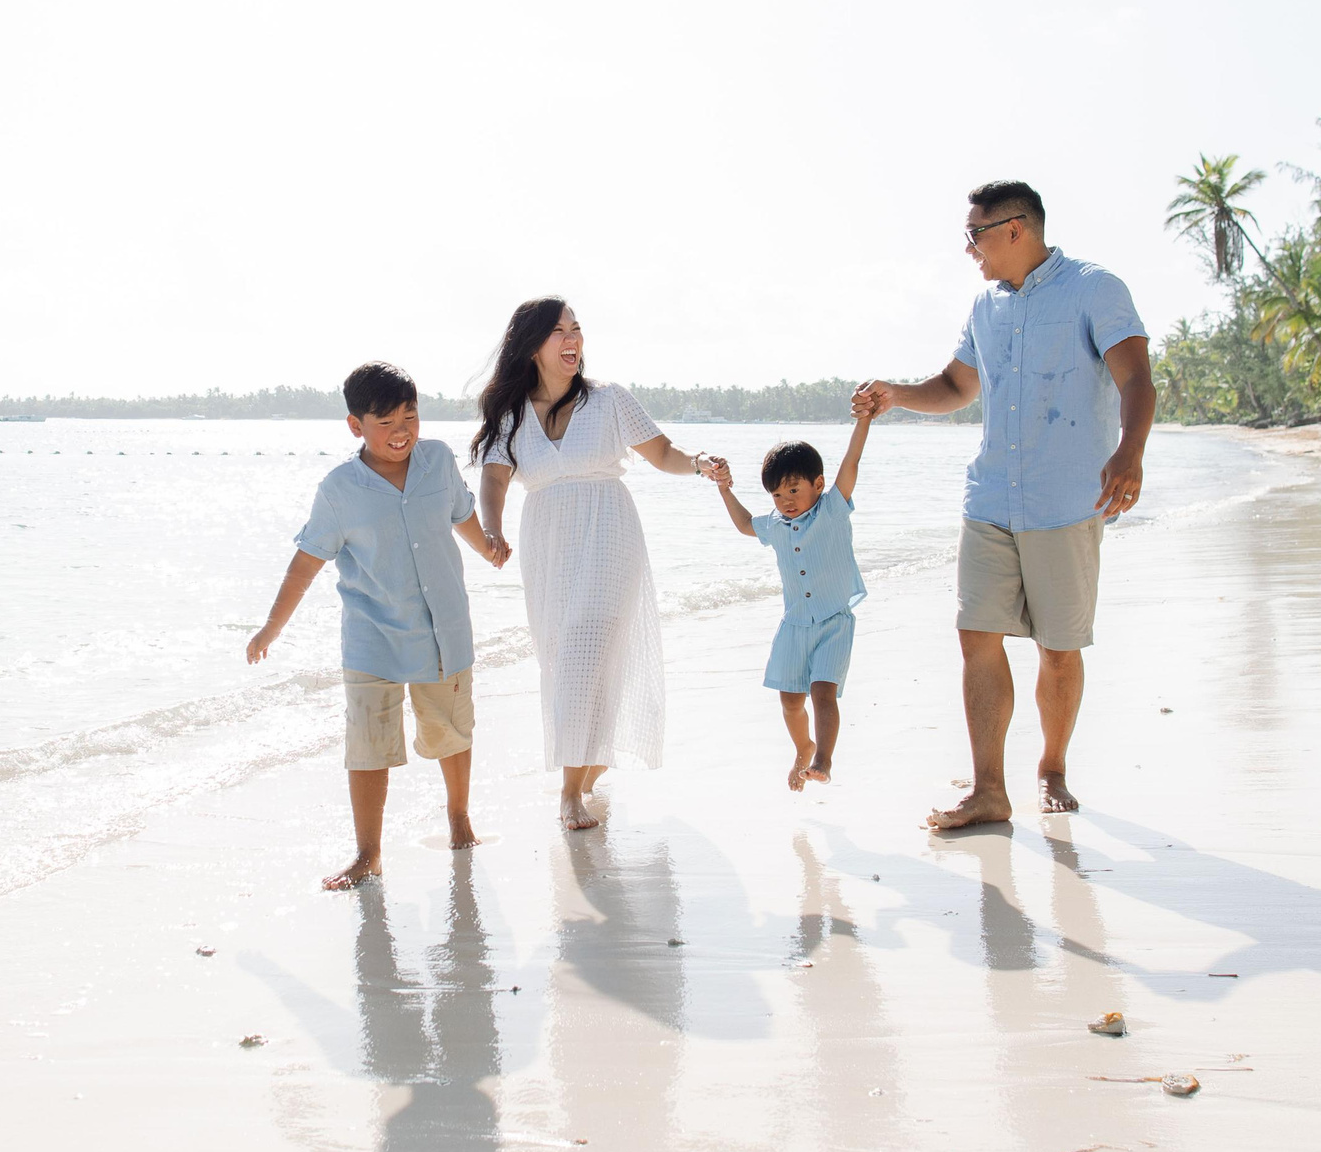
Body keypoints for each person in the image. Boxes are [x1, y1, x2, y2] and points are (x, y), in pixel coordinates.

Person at [854, 180, 1155, 831]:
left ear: (1014, 228)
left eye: (975, 235)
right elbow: (955, 385)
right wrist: (896, 395)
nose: (969, 249)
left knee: (1058, 649)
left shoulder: (1095, 289)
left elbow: (1136, 378)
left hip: (1066, 499)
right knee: (975, 635)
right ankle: (989, 789)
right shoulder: (984, 305)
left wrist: (1129, 452)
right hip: (990, 497)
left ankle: (1052, 766)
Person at [246, 362, 509, 890]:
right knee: (368, 745)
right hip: (372, 636)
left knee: (452, 731)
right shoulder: (339, 490)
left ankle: (459, 820)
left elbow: (460, 513)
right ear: (355, 425)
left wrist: (487, 548)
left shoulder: (438, 461)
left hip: (443, 629)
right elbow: (306, 563)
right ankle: (368, 854)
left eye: (410, 416)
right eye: (385, 422)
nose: (401, 431)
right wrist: (271, 628)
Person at [472, 298, 713, 831]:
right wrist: (492, 528)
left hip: (609, 534)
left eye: (576, 329)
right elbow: (493, 478)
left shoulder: (608, 400)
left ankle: (569, 793)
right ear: (531, 346)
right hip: (547, 545)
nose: (572, 339)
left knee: (586, 652)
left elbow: (662, 452)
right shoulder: (512, 414)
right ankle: (588, 765)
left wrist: (698, 464)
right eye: (559, 331)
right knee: (564, 661)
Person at [705, 400, 878, 791]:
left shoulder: (832, 510)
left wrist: (863, 421)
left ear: (818, 484)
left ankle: (823, 760)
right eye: (777, 495)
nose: (786, 501)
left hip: (833, 623)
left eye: (794, 490)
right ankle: (804, 748)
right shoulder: (776, 525)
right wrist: (724, 489)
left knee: (822, 693)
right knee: (790, 701)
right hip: (794, 626)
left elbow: (851, 462)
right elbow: (744, 524)